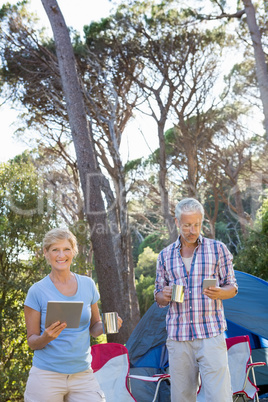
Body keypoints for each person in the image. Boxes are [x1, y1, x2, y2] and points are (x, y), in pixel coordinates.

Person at [24, 227, 123, 402]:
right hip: (47, 375)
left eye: (66, 249)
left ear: (73, 252)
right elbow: (32, 342)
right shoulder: (37, 291)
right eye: (55, 250)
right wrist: (46, 337)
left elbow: (94, 327)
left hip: (82, 374)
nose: (61, 255)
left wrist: (106, 326)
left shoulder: (88, 285)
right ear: (46, 253)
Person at [154, 198, 238, 402]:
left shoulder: (218, 249)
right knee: (182, 397)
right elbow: (158, 296)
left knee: (220, 397)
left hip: (211, 334)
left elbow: (233, 287)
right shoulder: (165, 256)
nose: (192, 230)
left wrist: (220, 292)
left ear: (202, 222)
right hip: (178, 337)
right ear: (176, 222)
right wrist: (163, 295)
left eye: (196, 225)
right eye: (186, 225)